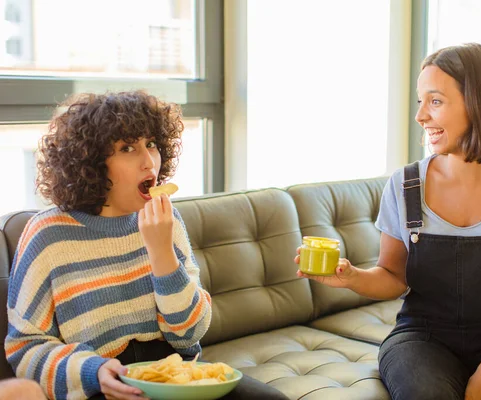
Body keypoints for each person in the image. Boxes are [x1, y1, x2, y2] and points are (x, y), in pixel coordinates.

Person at [295, 43, 481, 400]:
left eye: (435, 101)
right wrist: (351, 277)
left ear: (480, 102)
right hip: (421, 338)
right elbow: (393, 277)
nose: (420, 116)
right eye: (420, 102)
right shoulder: (405, 186)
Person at [5, 91, 287, 400]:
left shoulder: (167, 221)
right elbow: (26, 347)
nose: (148, 161)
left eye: (151, 144)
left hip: (178, 375)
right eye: (127, 148)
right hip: (102, 387)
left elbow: (189, 335)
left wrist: (162, 252)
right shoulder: (48, 234)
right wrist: (92, 371)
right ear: (91, 163)